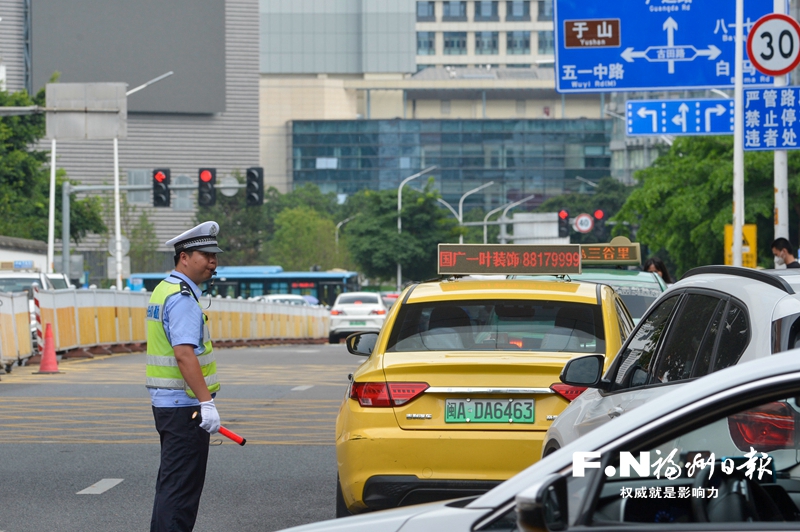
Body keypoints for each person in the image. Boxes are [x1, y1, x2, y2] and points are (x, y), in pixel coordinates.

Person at [146, 221, 224, 532]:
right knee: (181, 492)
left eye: (215, 255)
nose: (213, 262)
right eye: (206, 255)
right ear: (184, 257)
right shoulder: (181, 298)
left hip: (170, 405)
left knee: (172, 486)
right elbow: (184, 354)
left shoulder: (164, 289)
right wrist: (206, 402)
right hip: (184, 407)